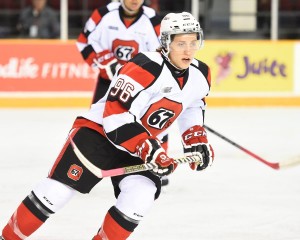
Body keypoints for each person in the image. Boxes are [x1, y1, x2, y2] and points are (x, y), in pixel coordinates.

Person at [1, 12, 214, 240]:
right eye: (181, 43)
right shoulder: (143, 67)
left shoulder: (201, 73)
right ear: (165, 42)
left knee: (141, 197)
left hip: (139, 147)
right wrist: (150, 149)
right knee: (56, 193)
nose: (189, 50)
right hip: (98, 136)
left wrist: (195, 139)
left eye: (194, 42)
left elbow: (192, 105)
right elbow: (115, 116)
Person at [76, 0, 171, 186]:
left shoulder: (154, 20)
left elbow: (168, 50)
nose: (135, 0)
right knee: (96, 123)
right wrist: (103, 65)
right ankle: (84, 165)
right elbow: (83, 42)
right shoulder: (102, 14)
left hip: (143, 84)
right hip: (108, 82)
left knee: (152, 120)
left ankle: (158, 162)